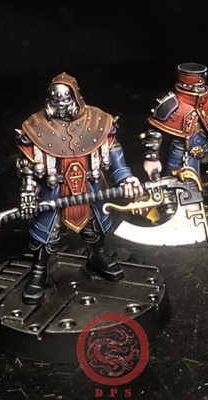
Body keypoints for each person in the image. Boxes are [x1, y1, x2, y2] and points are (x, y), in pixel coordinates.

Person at [16, 73, 142, 305]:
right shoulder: (36, 127)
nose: (61, 105)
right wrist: (28, 193)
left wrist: (125, 177)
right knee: (46, 232)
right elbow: (27, 165)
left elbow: (114, 150)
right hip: (54, 189)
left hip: (90, 185)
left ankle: (97, 255)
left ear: (75, 98)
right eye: (56, 100)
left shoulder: (97, 121)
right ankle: (39, 270)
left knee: (95, 225)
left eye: (65, 100)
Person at [141, 62, 208, 211]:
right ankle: (176, 203)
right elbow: (155, 133)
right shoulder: (171, 104)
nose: (200, 90)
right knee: (182, 185)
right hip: (183, 152)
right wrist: (152, 159)